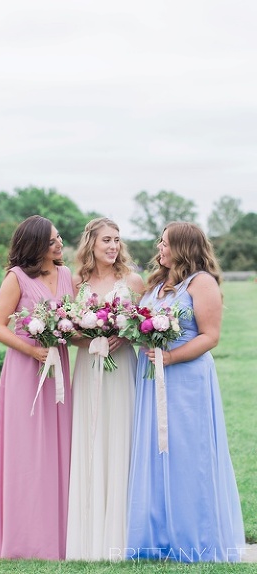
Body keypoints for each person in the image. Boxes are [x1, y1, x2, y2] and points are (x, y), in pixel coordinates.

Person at [125, 221, 245, 562]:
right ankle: (157, 538)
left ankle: (196, 539)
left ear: (183, 247)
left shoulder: (201, 282)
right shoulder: (159, 283)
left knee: (188, 456)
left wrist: (171, 356)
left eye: (165, 243)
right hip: (151, 378)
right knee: (156, 453)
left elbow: (210, 336)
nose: (159, 248)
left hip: (186, 380)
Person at [0, 215, 74, 560]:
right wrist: (35, 350)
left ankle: (61, 532)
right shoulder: (16, 278)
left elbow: (72, 319)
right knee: (26, 451)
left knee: (59, 446)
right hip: (26, 368)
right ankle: (25, 537)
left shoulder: (66, 275)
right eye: (53, 241)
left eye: (59, 238)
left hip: (60, 366)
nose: (60, 244)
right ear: (37, 244)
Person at [66, 218, 144, 560]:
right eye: (106, 241)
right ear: (92, 245)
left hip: (123, 367)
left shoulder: (133, 280)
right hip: (88, 369)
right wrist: (90, 340)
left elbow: (144, 328)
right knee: (91, 436)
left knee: (121, 435)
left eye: (116, 240)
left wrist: (122, 335)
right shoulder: (76, 283)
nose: (113, 246)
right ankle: (89, 529)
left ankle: (125, 530)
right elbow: (67, 331)